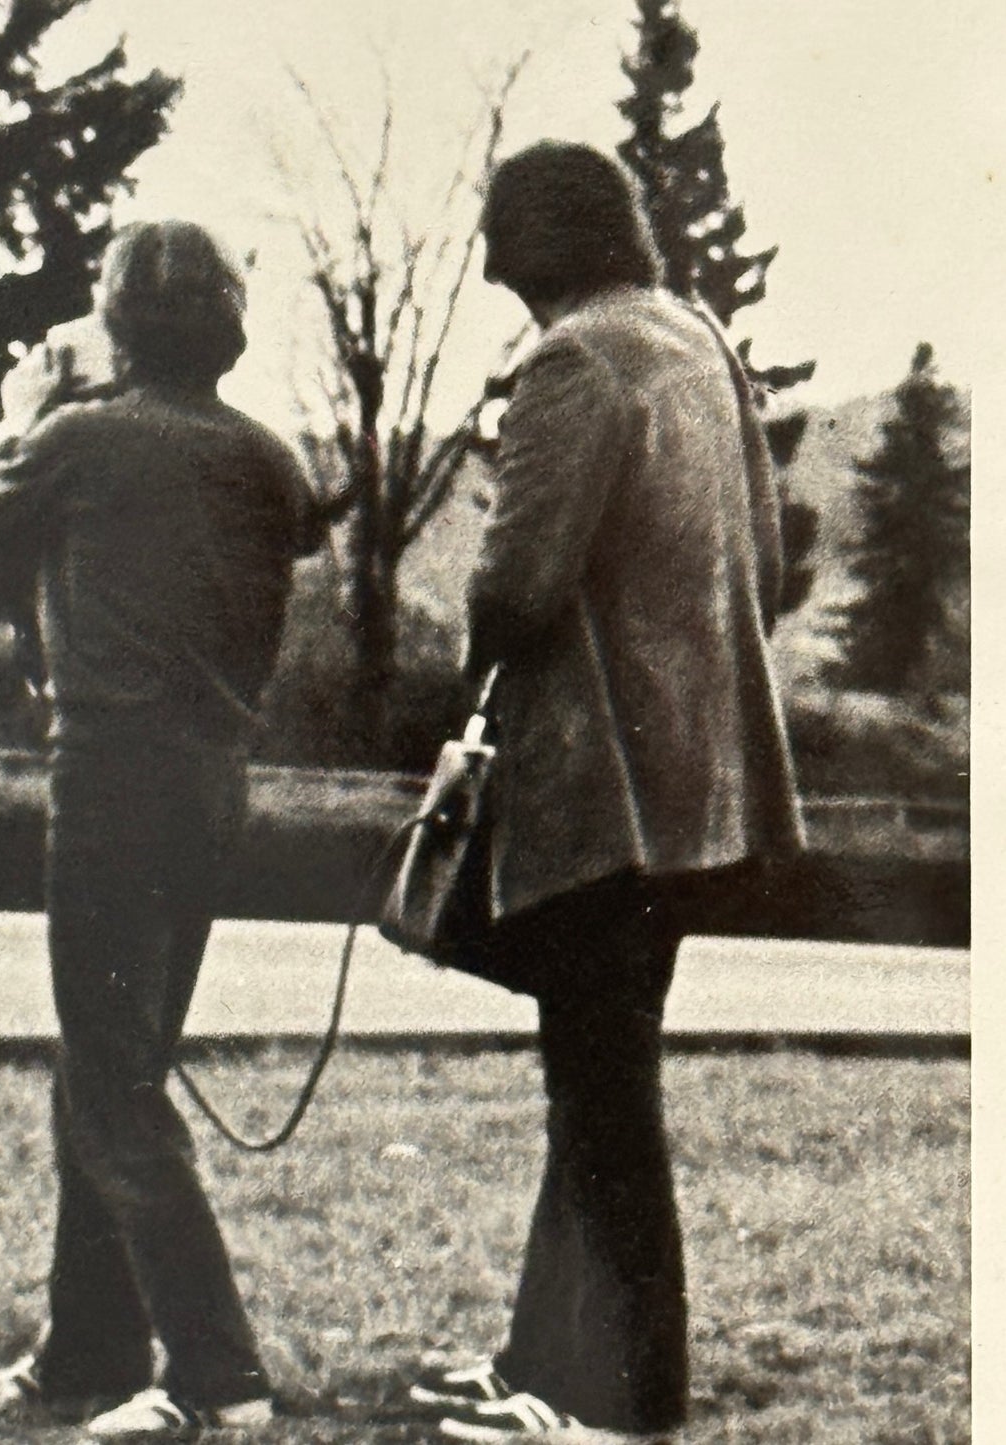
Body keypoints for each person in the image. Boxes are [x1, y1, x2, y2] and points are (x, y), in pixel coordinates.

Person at [406, 143, 804, 1444]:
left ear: (549, 240)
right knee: (593, 1076)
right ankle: (540, 1365)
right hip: (703, 784)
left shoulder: (574, 358)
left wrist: (456, 690)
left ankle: (625, 1404)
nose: (484, 261)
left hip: (605, 786)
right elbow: (772, 553)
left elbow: (514, 588)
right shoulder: (695, 341)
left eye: (497, 235)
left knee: (601, 1095)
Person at [0, 220, 321, 1439]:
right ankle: (90, 1345)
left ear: (114, 324)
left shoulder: (77, 438)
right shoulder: (266, 458)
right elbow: (287, 518)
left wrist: (19, 410)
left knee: (110, 1084)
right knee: (106, 1067)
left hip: (106, 781)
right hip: (210, 788)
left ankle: (218, 1373)